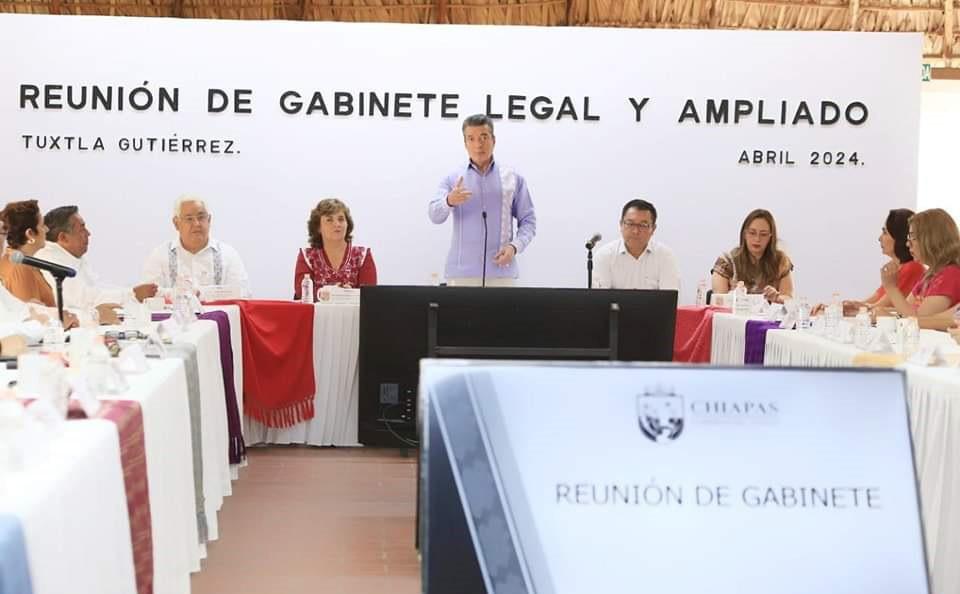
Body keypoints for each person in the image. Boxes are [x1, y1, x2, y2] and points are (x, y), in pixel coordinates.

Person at [428, 114, 536, 286]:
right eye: (471, 139)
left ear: (494, 140)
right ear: (465, 143)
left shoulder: (513, 178)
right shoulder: (453, 178)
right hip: (462, 275)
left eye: (484, 137)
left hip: (502, 273)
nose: (478, 144)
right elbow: (434, 215)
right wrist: (449, 201)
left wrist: (515, 246)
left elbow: (528, 221)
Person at [36, 206, 158, 325]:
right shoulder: (49, 260)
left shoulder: (72, 256)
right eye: (82, 229)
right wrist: (132, 295)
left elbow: (97, 286)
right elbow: (85, 300)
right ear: (63, 237)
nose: (88, 233)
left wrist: (131, 292)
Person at [142, 196, 251, 296]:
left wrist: (197, 294)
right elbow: (148, 295)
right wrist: (191, 294)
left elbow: (243, 293)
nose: (196, 224)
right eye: (189, 219)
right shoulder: (160, 255)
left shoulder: (228, 255)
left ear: (209, 220)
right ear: (176, 223)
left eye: (201, 217)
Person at [840, 209, 924, 316]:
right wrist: (844, 306)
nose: (879, 238)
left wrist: (855, 308)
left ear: (899, 237)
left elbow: (879, 307)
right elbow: (871, 302)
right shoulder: (896, 267)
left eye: (885, 233)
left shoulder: (912, 268)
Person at [881, 208, 960, 321]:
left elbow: (917, 320)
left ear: (932, 239)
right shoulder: (930, 274)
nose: (908, 244)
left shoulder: (950, 274)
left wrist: (891, 288)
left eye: (913, 237)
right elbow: (907, 310)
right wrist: (875, 311)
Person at [293, 198, 377, 298]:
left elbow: (370, 295)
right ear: (318, 227)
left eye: (341, 219)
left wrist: (351, 294)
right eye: (329, 220)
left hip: (354, 309)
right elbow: (302, 293)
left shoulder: (362, 255)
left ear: (347, 224)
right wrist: (330, 293)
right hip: (317, 309)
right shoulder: (307, 257)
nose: (337, 224)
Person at [593, 199, 680, 291]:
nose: (635, 231)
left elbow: (670, 297)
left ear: (653, 229)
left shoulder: (665, 256)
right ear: (621, 225)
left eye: (643, 225)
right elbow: (599, 298)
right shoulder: (604, 256)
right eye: (630, 224)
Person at [711, 209, 794, 303]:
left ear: (771, 237)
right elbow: (719, 301)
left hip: (769, 312)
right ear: (744, 234)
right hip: (735, 312)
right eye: (752, 233)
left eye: (763, 234)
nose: (757, 239)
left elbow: (788, 298)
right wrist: (734, 296)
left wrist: (777, 298)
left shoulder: (780, 261)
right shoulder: (726, 261)